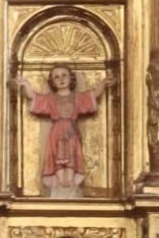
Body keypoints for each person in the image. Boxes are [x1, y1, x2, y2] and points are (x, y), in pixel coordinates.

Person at [12, 65, 113, 194]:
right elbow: (34, 97)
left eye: (64, 75)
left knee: (71, 155)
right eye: (56, 77)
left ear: (71, 78)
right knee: (57, 156)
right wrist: (25, 83)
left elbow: (93, 95)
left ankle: (70, 181)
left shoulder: (77, 97)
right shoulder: (50, 98)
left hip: (71, 131)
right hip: (57, 132)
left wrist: (104, 83)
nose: (61, 79)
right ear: (52, 82)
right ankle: (59, 182)